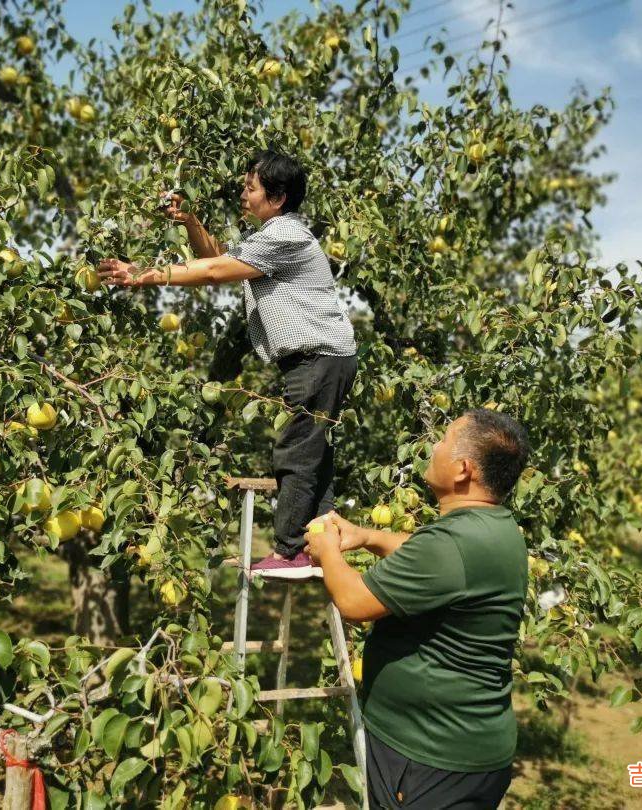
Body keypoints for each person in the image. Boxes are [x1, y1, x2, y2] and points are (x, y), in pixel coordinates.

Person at [98, 149, 358, 579]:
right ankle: (319, 547)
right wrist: (190, 224)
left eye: (250, 187)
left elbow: (217, 271)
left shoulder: (285, 236)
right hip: (324, 360)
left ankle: (291, 551)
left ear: (276, 197)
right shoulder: (275, 236)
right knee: (315, 455)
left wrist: (145, 274)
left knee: (296, 451)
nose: (243, 192)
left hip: (319, 361)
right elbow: (221, 257)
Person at [304, 409, 531, 809]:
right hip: (465, 750)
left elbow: (354, 603)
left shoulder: (453, 544)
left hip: (429, 757)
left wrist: (327, 552)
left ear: (462, 470)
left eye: (443, 440)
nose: (434, 448)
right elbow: (430, 553)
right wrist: (369, 536)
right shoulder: (496, 528)